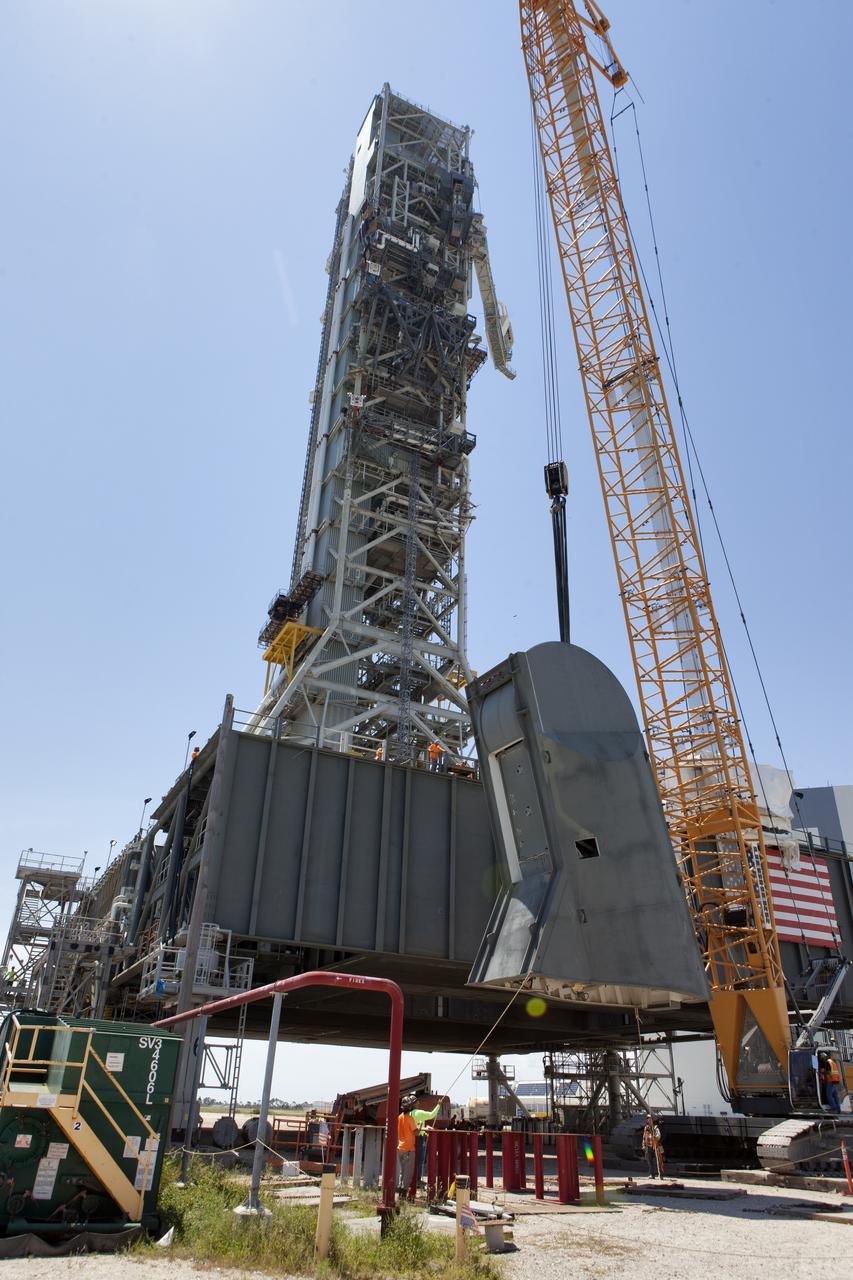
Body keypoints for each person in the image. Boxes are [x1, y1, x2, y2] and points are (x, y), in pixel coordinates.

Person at [397, 1101, 418, 1195]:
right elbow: (415, 1132)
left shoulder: (399, 1117)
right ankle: (403, 1194)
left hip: (400, 1148)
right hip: (409, 1149)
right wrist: (420, 1128)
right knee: (408, 1173)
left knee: (403, 1171)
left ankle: (400, 1189)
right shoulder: (410, 1119)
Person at [642, 1112, 663, 1179]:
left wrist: (655, 1137)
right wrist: (643, 1145)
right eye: (647, 1119)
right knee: (649, 1161)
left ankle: (660, 1175)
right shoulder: (646, 1128)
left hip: (655, 1146)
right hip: (649, 1146)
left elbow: (659, 1136)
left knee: (658, 1161)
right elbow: (644, 1137)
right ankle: (652, 1174)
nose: (648, 1120)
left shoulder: (655, 1127)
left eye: (650, 1119)